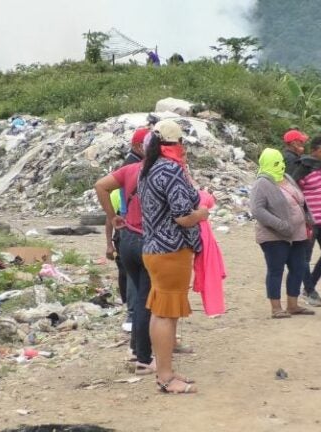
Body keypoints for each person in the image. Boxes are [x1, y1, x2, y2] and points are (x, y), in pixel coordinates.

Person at [139, 119, 208, 394]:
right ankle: (166, 377)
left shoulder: (150, 168)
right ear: (177, 144)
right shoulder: (171, 170)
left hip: (154, 249)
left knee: (161, 312)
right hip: (171, 250)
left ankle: (164, 369)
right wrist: (201, 213)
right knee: (166, 314)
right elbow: (183, 217)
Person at [250, 148, 314, 319]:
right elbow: (257, 210)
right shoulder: (261, 183)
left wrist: (308, 217)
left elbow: (300, 200)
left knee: (298, 268)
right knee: (276, 270)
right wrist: (280, 225)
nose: (281, 166)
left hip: (297, 234)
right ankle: (276, 308)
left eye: (282, 162)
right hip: (274, 236)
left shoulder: (286, 178)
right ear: (267, 164)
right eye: (276, 163)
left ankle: (293, 305)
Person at [104, 127, 151, 333]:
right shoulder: (135, 166)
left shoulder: (131, 164)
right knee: (135, 276)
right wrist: (115, 218)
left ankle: (136, 315)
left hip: (127, 225)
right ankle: (134, 315)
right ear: (137, 146)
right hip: (132, 226)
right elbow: (104, 190)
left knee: (132, 273)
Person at [291, 136, 321, 307]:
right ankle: (309, 291)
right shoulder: (304, 167)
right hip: (309, 220)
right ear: (313, 151)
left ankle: (310, 288)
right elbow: (294, 189)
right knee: (305, 258)